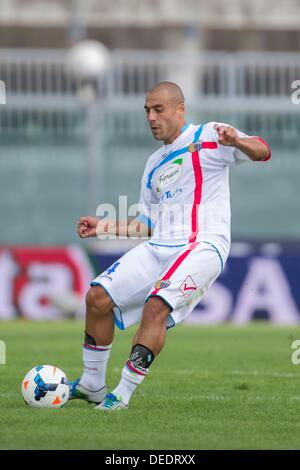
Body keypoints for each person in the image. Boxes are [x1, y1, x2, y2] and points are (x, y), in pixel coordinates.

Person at [69, 81, 271, 410]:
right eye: (147, 110)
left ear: (180, 110)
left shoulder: (210, 135)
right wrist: (102, 226)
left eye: (158, 109)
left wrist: (237, 141)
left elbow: (262, 150)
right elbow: (146, 225)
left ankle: (120, 396)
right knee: (97, 297)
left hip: (203, 242)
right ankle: (92, 384)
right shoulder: (153, 165)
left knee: (155, 307)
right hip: (161, 244)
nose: (151, 116)